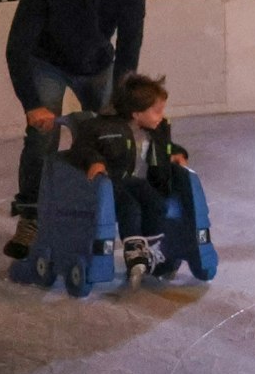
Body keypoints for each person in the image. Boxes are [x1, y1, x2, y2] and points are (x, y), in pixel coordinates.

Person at [1, 0, 147, 260]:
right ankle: (31, 216)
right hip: (47, 62)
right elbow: (17, 49)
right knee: (42, 137)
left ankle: (120, 211)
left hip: (97, 63)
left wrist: (120, 100)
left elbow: (129, 45)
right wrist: (32, 104)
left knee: (115, 132)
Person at [68, 73, 188, 280]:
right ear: (136, 113)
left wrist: (176, 153)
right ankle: (134, 252)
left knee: (157, 204)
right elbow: (82, 148)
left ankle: (152, 250)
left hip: (139, 184)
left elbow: (165, 147)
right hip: (111, 184)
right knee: (130, 207)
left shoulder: (157, 129)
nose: (162, 116)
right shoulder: (102, 128)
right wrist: (95, 161)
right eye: (157, 111)